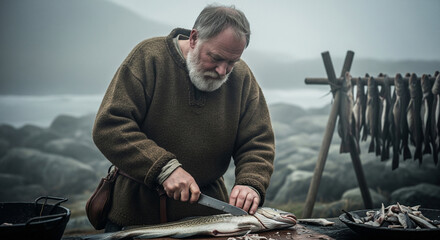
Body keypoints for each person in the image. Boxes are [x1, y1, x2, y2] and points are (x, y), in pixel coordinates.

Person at [92, 4, 275, 231]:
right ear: (194, 38)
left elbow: (258, 141)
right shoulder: (149, 58)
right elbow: (110, 126)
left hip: (212, 221)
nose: (222, 71)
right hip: (135, 217)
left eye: (232, 62)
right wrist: (164, 168)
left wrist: (250, 183)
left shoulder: (241, 77)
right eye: (216, 58)